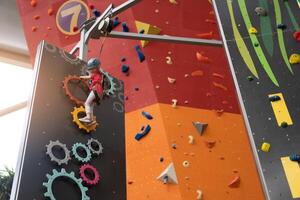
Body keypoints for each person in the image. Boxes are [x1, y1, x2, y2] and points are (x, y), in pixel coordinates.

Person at [79, 58, 104, 124]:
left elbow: (89, 77)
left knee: (87, 103)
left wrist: (81, 77)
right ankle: (92, 119)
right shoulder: (99, 74)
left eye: (91, 69)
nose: (90, 70)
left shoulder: (95, 74)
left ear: (95, 68)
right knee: (91, 105)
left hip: (96, 89)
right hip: (99, 92)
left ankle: (88, 117)